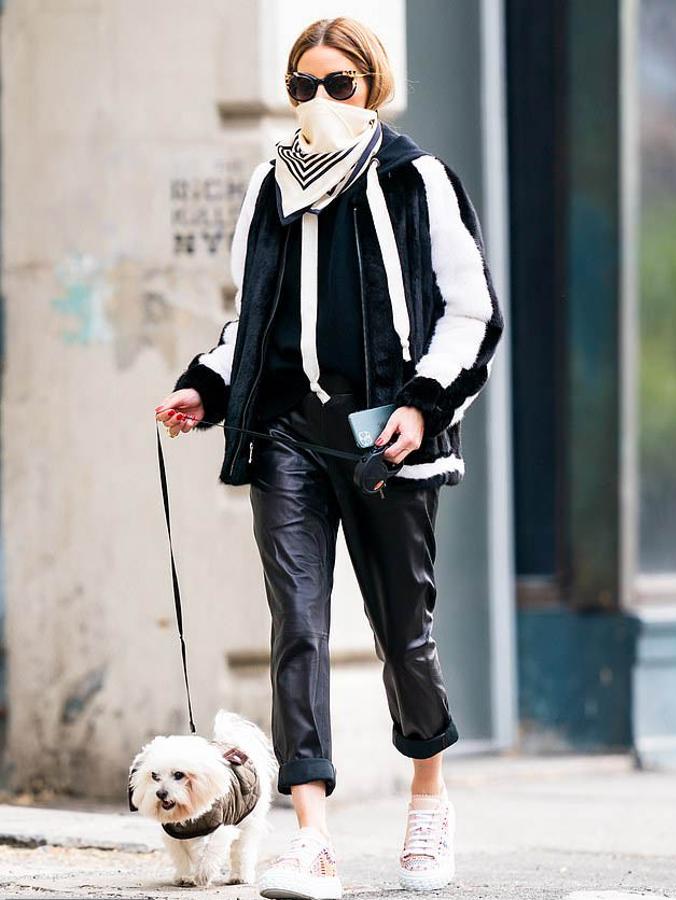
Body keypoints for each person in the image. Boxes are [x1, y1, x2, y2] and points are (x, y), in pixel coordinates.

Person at [155, 15, 503, 899]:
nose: (317, 99)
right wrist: (208, 386)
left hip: (384, 437)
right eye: (301, 85)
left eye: (336, 84)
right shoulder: (269, 185)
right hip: (287, 437)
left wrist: (424, 405)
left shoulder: (416, 179)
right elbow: (252, 320)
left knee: (403, 633)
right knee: (298, 628)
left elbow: (471, 313)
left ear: (371, 87)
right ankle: (310, 837)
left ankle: (427, 797)